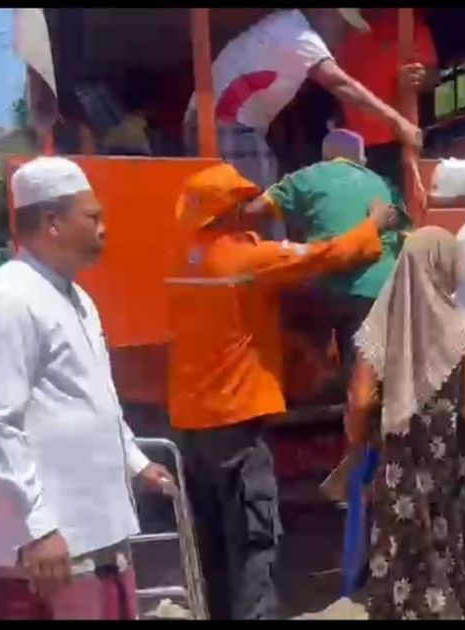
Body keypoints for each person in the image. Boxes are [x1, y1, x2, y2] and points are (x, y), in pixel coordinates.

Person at [165, 162, 401, 619]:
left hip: (190, 421)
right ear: (228, 214)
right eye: (241, 206)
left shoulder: (180, 258)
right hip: (237, 419)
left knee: (211, 538)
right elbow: (324, 255)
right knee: (254, 540)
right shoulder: (248, 259)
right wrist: (374, 224)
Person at [0, 157, 174, 620]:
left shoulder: (76, 298)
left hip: (95, 535)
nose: (103, 229)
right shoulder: (5, 303)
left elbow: (96, 399)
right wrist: (36, 528)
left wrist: (136, 463)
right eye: (92, 217)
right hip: (48, 553)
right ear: (52, 222)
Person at [344, 227, 465, 620]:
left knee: (403, 558)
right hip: (454, 465)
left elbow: (360, 400)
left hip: (401, 467)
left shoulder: (377, 329)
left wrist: (363, 444)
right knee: (454, 552)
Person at [182, 9, 422, 189]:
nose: (345, 36)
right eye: (343, 26)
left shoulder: (286, 28)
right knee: (256, 208)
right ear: (325, 13)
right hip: (223, 125)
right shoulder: (299, 36)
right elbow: (340, 84)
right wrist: (399, 122)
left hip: (221, 123)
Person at [247, 128, 408, 373]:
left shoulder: (306, 177)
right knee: (363, 371)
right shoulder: (381, 183)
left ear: (325, 156)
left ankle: (319, 383)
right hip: (374, 286)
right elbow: (403, 233)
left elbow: (255, 209)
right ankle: (353, 395)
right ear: (362, 159)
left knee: (308, 344)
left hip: (322, 282)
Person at [335, 8, 438, 188]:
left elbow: (432, 77)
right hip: (352, 147)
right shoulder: (344, 34)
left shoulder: (412, 28)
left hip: (398, 142)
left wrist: (419, 76)